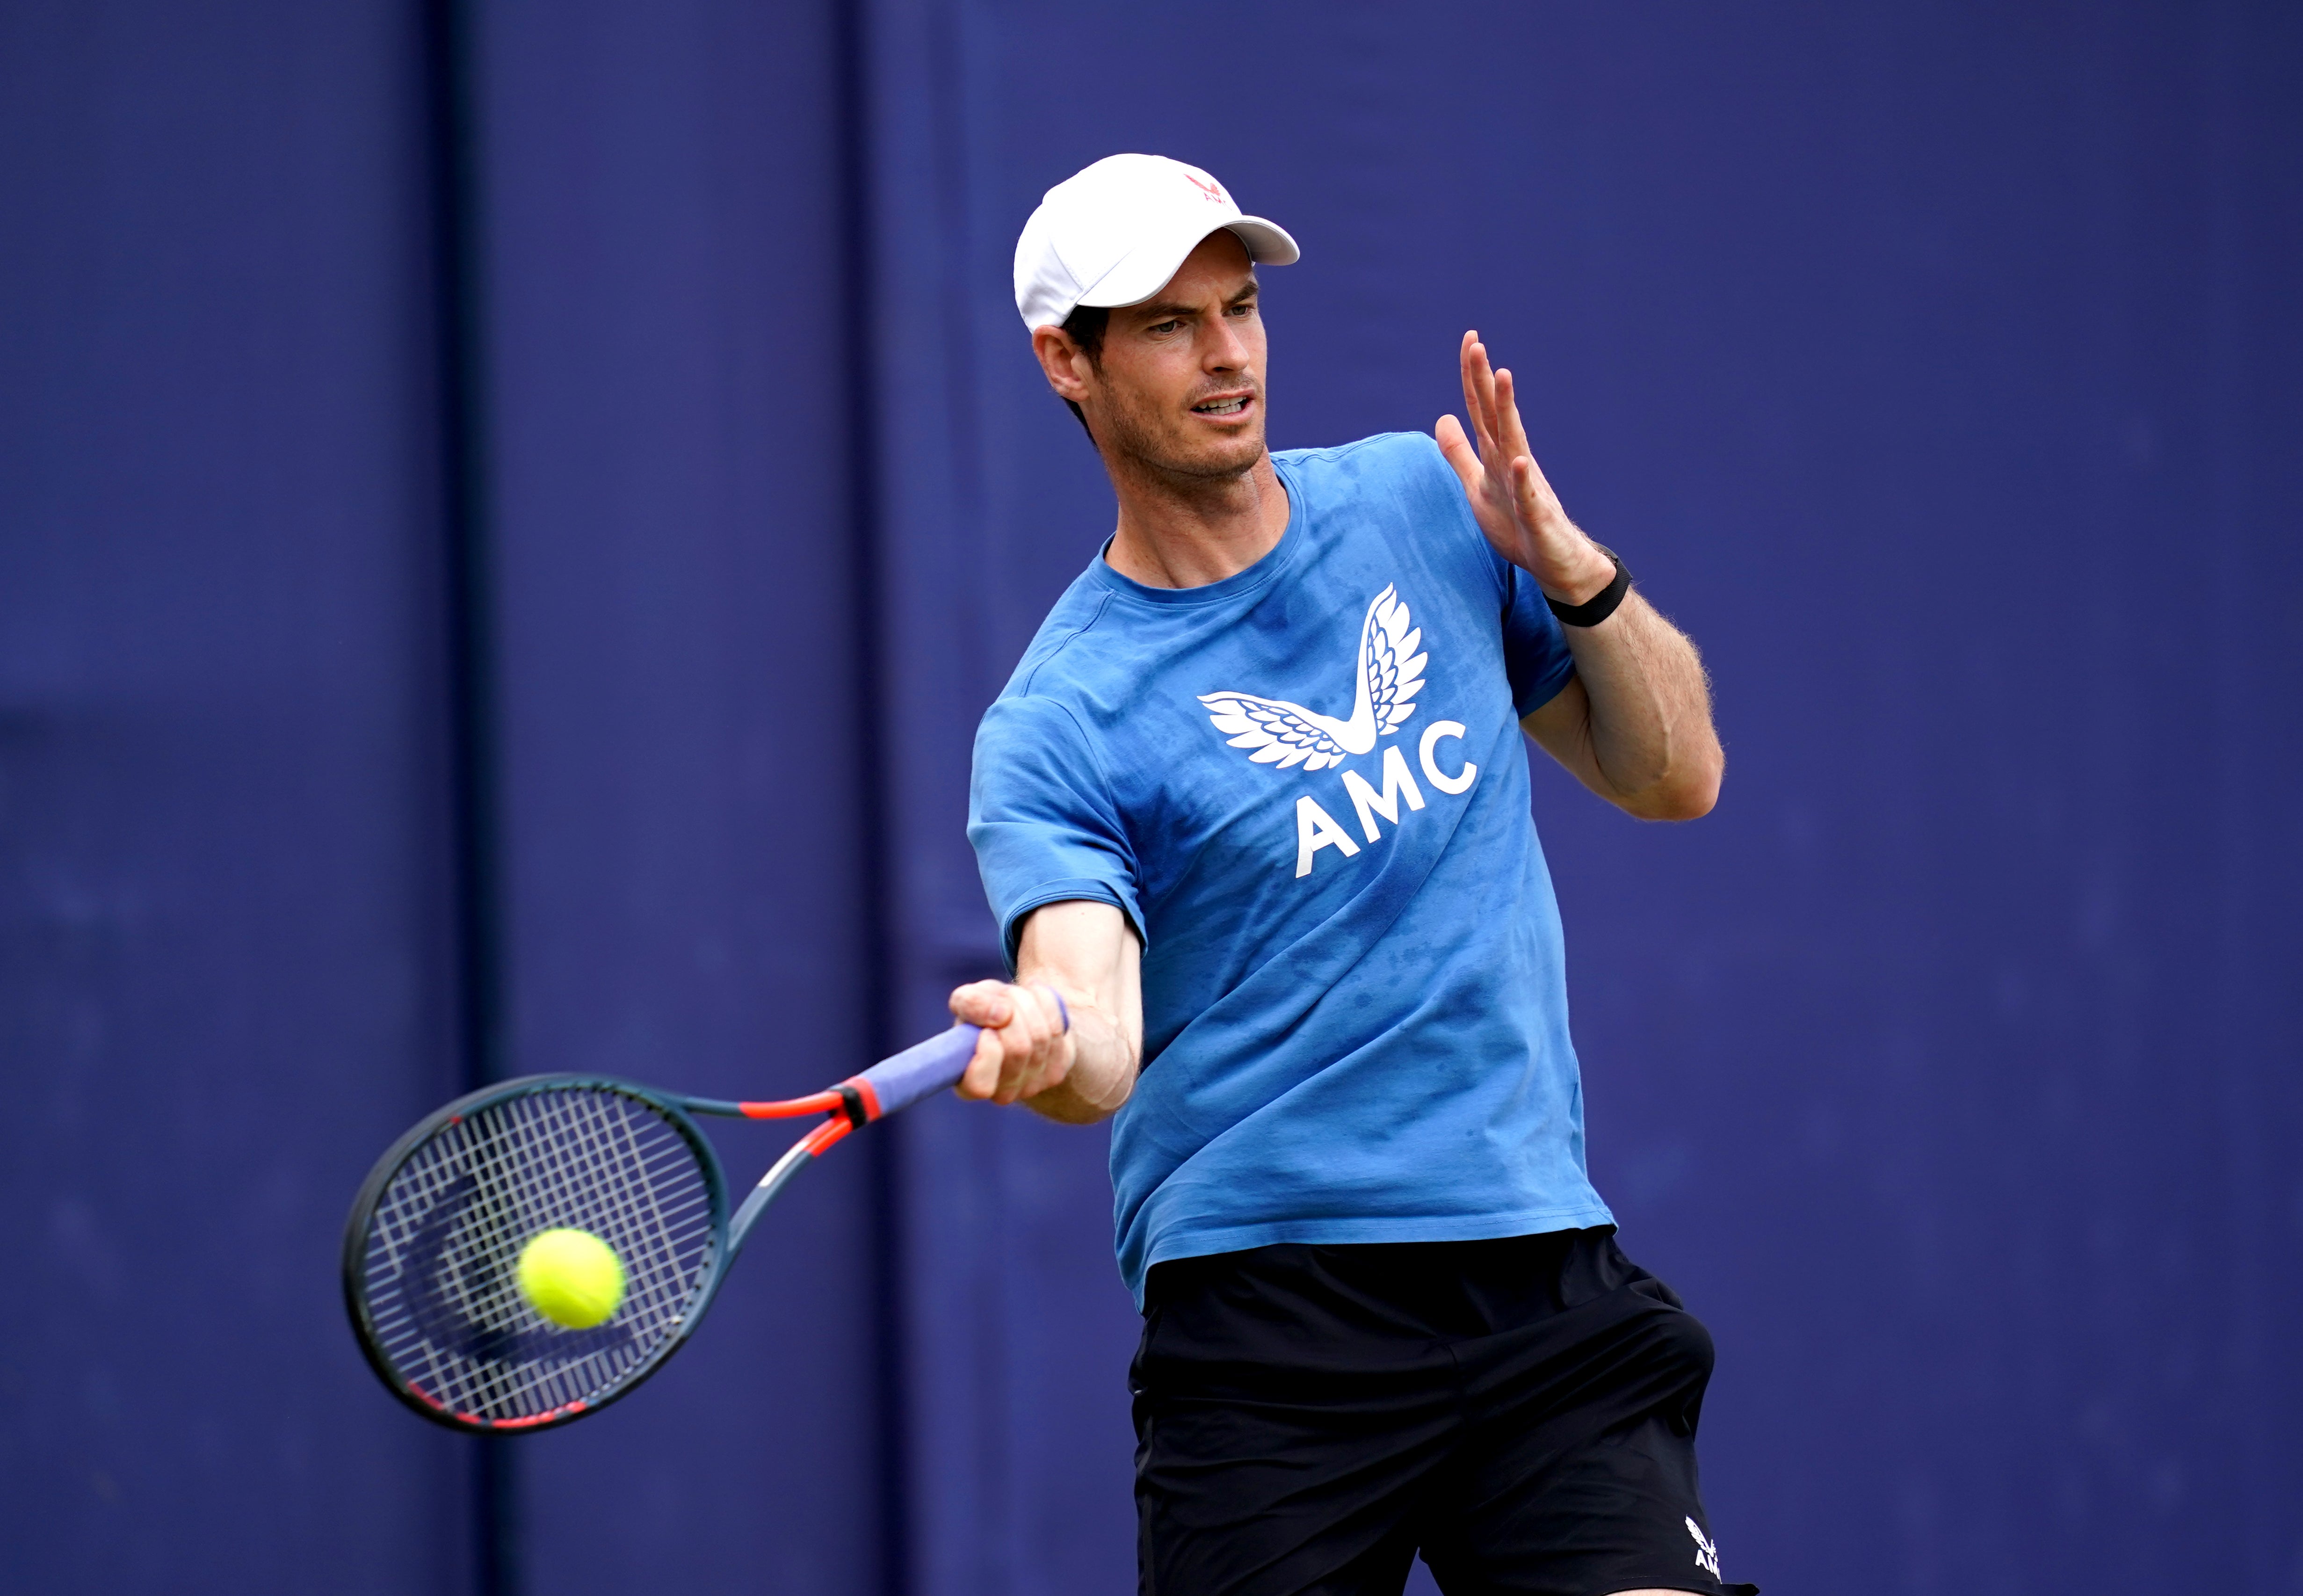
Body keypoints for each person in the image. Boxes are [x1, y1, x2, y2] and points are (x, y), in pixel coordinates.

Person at [948, 153, 1751, 1596]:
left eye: (1240, 307)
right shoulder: (1058, 720)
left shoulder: (1422, 504)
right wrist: (1050, 1035)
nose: (1226, 354)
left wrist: (1568, 566)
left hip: (1533, 1268)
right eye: (1167, 324)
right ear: (1064, 361)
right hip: (1268, 1328)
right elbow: (1097, 1023)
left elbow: (1672, 776)